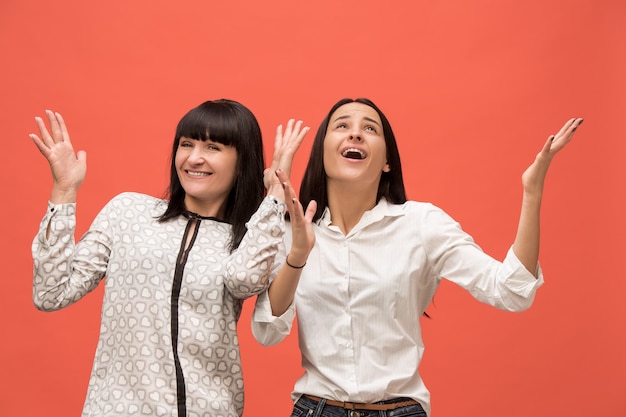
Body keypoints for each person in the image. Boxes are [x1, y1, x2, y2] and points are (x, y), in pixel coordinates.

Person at [251, 97, 584, 417]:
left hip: (399, 411)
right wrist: (294, 248)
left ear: (387, 161)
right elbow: (268, 333)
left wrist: (532, 192)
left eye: (370, 128)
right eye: (342, 126)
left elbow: (512, 292)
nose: (355, 133)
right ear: (321, 153)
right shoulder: (294, 229)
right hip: (316, 409)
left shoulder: (421, 225)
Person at [29, 100, 308, 417]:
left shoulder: (252, 237)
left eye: (212, 147)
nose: (193, 158)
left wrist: (274, 193)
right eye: (186, 144)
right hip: (116, 409)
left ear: (242, 162)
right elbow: (50, 293)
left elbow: (243, 281)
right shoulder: (128, 212)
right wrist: (64, 191)